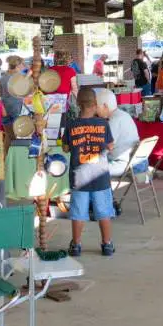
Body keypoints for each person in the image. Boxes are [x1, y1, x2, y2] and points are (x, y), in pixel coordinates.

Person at [63, 88, 115, 257]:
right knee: (104, 211)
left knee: (78, 213)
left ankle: (76, 245)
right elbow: (110, 146)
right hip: (100, 176)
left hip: (80, 177)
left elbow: (65, 147)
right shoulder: (103, 124)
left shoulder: (71, 125)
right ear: (95, 104)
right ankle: (107, 244)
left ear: (78, 104)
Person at [95, 89, 141, 177]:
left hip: (122, 164)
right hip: (134, 161)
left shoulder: (114, 120)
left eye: (97, 107)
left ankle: (103, 191)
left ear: (105, 106)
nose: (96, 111)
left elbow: (105, 148)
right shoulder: (124, 115)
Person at [0, 55, 25, 124]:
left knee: (7, 131)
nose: (22, 67)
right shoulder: (16, 78)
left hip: (5, 108)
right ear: (16, 67)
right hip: (15, 109)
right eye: (21, 65)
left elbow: (0, 94)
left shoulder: (3, 77)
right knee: (16, 131)